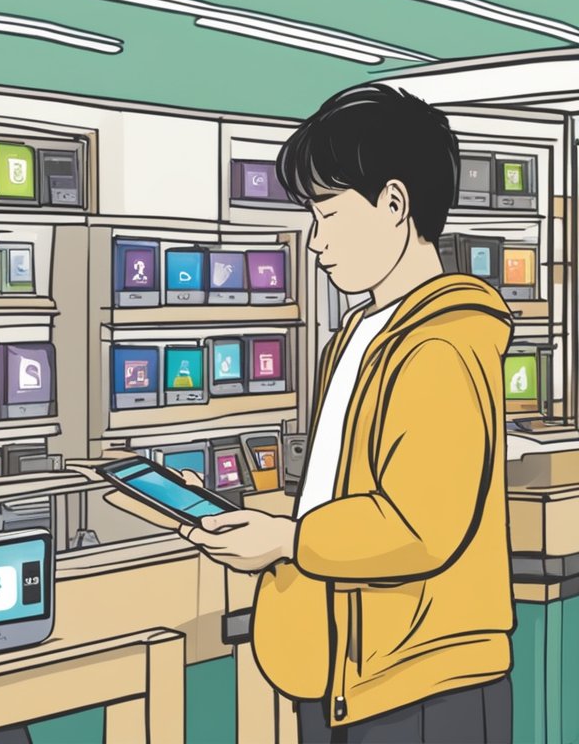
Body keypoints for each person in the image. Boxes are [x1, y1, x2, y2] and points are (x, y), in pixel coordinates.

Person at [178, 84, 515, 743]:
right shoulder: (356, 336)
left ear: (394, 204)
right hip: (344, 670)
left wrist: (286, 541)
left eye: (328, 214)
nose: (314, 241)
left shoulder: (442, 345)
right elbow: (339, 496)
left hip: (422, 683)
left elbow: (420, 527)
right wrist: (250, 519)